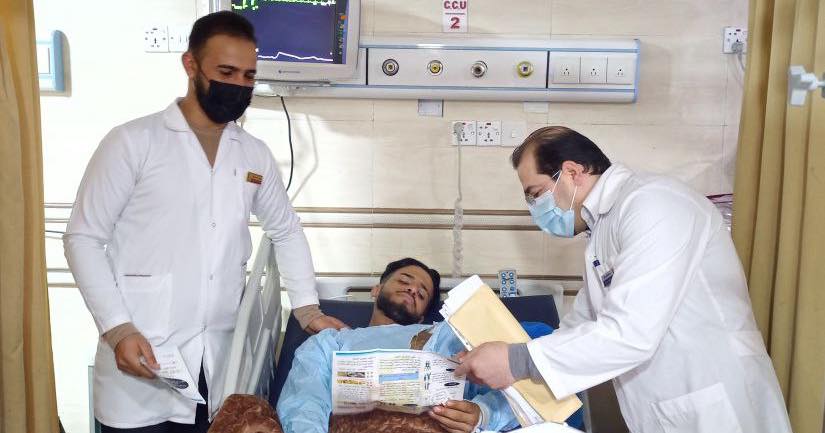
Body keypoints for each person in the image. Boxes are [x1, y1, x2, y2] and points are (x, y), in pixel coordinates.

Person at [63, 11, 346, 433]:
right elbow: (83, 238)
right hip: (140, 353)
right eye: (226, 72)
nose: (239, 85)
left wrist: (307, 309)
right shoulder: (133, 142)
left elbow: (285, 229)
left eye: (249, 76)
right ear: (190, 65)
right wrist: (118, 329)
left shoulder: (253, 154)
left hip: (215, 364)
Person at [455, 126, 793, 433]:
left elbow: (630, 332)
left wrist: (515, 361)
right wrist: (501, 371)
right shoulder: (603, 229)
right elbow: (580, 328)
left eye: (536, 193)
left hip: (715, 404)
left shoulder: (653, 203)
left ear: (572, 172)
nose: (534, 208)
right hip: (671, 407)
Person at [277, 258, 572, 433]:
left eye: (422, 293)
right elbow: (304, 402)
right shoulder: (331, 342)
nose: (412, 289)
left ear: (422, 315)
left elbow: (526, 386)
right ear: (376, 289)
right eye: (404, 280)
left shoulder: (449, 333)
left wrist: (483, 414)